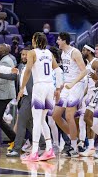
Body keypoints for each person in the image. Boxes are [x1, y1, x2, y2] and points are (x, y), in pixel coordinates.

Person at [18, 32, 63, 161]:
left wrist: (22, 88)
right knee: (42, 120)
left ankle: (34, 153)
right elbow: (58, 70)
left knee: (37, 120)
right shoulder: (49, 53)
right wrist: (58, 88)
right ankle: (49, 149)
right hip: (50, 87)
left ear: (35, 40)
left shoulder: (32, 53)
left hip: (40, 87)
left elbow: (27, 71)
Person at [5, 46, 47, 157]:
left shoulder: (34, 67)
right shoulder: (20, 66)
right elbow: (12, 76)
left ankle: (16, 148)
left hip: (31, 98)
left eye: (26, 54)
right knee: (30, 124)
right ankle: (43, 144)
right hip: (24, 98)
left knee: (21, 123)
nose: (24, 56)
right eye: (22, 54)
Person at [52, 32, 88, 157]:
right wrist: (61, 85)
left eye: (58, 39)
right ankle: (76, 140)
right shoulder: (63, 53)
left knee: (68, 116)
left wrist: (72, 83)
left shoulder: (75, 52)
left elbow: (84, 71)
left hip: (77, 85)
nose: (57, 41)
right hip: (67, 85)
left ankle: (74, 147)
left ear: (64, 40)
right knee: (55, 115)